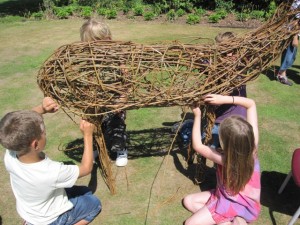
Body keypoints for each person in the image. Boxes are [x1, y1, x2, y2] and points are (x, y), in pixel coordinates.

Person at [0, 97, 101, 225]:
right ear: (35, 144)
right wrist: (88, 135)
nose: (45, 133)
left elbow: (20, 126)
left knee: (84, 191)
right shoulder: (51, 172)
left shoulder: (10, 154)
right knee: (94, 203)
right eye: (44, 133)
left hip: (31, 211)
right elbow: (86, 168)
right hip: (51, 219)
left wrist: (42, 109)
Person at [183, 94, 261, 225]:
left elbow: (198, 145)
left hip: (230, 203)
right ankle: (236, 220)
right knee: (188, 201)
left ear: (226, 143)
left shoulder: (225, 160)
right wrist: (224, 99)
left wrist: (197, 115)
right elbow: (251, 104)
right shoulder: (252, 145)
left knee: (189, 223)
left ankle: (230, 218)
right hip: (245, 203)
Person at [80, 18, 128, 167]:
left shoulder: (117, 56)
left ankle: (121, 150)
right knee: (95, 124)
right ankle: (95, 148)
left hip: (116, 99)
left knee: (117, 123)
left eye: (108, 38)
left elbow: (127, 80)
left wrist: (123, 99)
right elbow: (86, 79)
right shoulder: (88, 59)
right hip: (96, 99)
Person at [211, 32, 247, 150]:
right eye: (223, 52)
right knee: (214, 149)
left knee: (233, 151)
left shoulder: (241, 67)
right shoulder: (215, 68)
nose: (229, 55)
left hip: (237, 121)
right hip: (219, 119)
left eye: (232, 51)